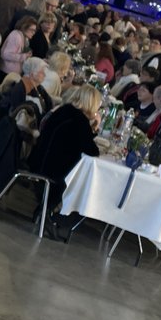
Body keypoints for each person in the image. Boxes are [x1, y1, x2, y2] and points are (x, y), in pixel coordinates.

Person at [28, 84, 102, 227]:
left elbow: (80, 140)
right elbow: (92, 151)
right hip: (51, 171)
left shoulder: (65, 110)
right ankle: (50, 214)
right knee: (81, 181)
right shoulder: (79, 120)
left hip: (38, 159)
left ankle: (46, 211)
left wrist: (91, 129)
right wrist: (95, 125)